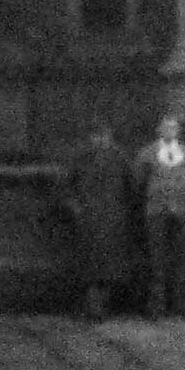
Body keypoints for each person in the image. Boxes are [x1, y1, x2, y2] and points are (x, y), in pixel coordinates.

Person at [62, 120, 132, 320]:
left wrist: (123, 209)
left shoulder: (119, 158)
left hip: (113, 217)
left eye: (104, 137)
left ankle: (102, 304)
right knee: (90, 264)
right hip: (89, 217)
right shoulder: (80, 158)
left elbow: (131, 185)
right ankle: (92, 305)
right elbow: (67, 185)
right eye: (96, 136)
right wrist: (75, 207)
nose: (100, 141)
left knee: (111, 265)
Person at [132, 116, 185, 317]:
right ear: (159, 130)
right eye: (166, 128)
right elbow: (138, 182)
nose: (170, 131)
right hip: (156, 211)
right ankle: (157, 305)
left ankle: (180, 305)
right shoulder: (147, 153)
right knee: (156, 258)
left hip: (181, 210)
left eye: (173, 128)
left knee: (180, 257)